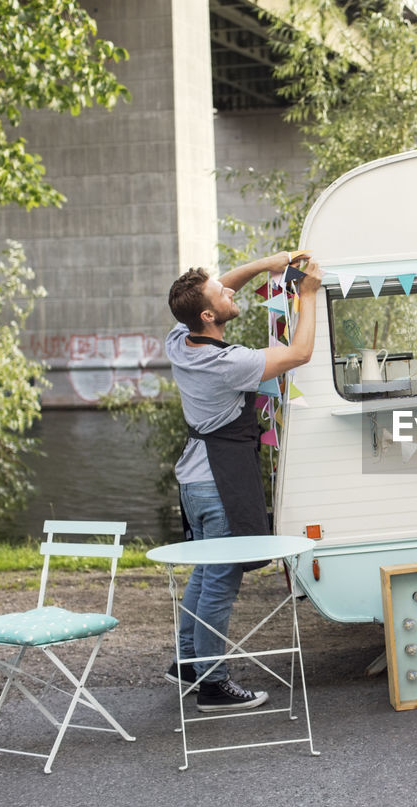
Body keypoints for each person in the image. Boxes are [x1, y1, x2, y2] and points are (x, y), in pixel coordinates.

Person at [163, 251, 322, 712]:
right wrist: (307, 296)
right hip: (219, 482)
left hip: (194, 479)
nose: (231, 290)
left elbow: (215, 291)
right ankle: (213, 684)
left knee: (206, 572)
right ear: (208, 315)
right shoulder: (229, 362)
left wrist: (264, 263)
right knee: (221, 580)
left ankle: (189, 662)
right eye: (221, 293)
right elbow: (300, 353)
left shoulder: (181, 338)